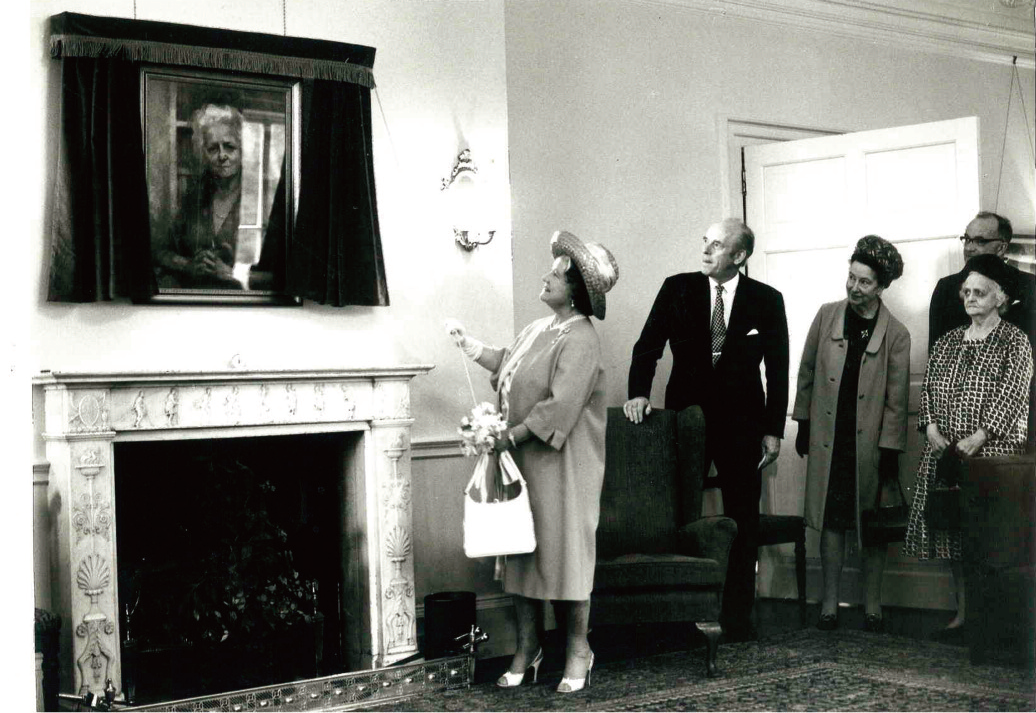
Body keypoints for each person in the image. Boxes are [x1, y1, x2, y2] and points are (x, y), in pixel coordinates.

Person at [447, 230, 619, 694]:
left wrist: (510, 435)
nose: (546, 276)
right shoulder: (539, 329)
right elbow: (509, 365)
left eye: (556, 273)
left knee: (566, 556)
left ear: (576, 290)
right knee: (522, 551)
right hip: (524, 460)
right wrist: (472, 347)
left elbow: (559, 406)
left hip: (564, 466)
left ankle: (579, 649)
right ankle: (529, 647)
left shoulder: (581, 338)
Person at [623, 218, 789, 642]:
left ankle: (737, 617)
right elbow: (648, 345)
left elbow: (779, 370)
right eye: (705, 241)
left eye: (716, 245)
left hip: (742, 425)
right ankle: (678, 615)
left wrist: (773, 430)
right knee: (679, 513)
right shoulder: (677, 288)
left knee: (742, 520)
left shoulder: (766, 300)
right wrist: (638, 392)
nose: (706, 250)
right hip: (686, 421)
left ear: (739, 256)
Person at [904, 253, 1034, 633]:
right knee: (951, 538)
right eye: (966, 292)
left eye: (979, 292)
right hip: (945, 454)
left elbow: (1014, 395)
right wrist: (930, 430)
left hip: (991, 457)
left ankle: (991, 619)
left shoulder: (1015, 341)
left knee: (987, 538)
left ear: (999, 298)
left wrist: (980, 437)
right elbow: (928, 389)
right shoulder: (946, 342)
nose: (970, 298)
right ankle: (963, 614)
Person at [792, 236, 909, 633]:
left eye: (864, 283)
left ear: (881, 287)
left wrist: (890, 450)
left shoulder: (896, 333)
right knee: (831, 520)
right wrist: (803, 424)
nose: (854, 288)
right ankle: (829, 602)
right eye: (851, 278)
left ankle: (872, 604)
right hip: (831, 439)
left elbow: (896, 399)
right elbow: (806, 373)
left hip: (871, 447)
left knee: (871, 525)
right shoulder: (826, 316)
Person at [929, 211, 1036, 446]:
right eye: (967, 239)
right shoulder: (947, 289)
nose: (969, 247)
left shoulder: (1029, 287)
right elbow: (934, 364)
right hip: (952, 427)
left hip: (1011, 424)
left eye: (980, 241)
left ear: (1001, 247)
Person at [154, 102, 247, 289]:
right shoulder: (195, 196)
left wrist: (231, 273)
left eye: (229, 147)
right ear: (203, 152)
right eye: (213, 148)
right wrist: (188, 265)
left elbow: (280, 275)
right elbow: (161, 252)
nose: (222, 156)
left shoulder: (256, 199)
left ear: (243, 149)